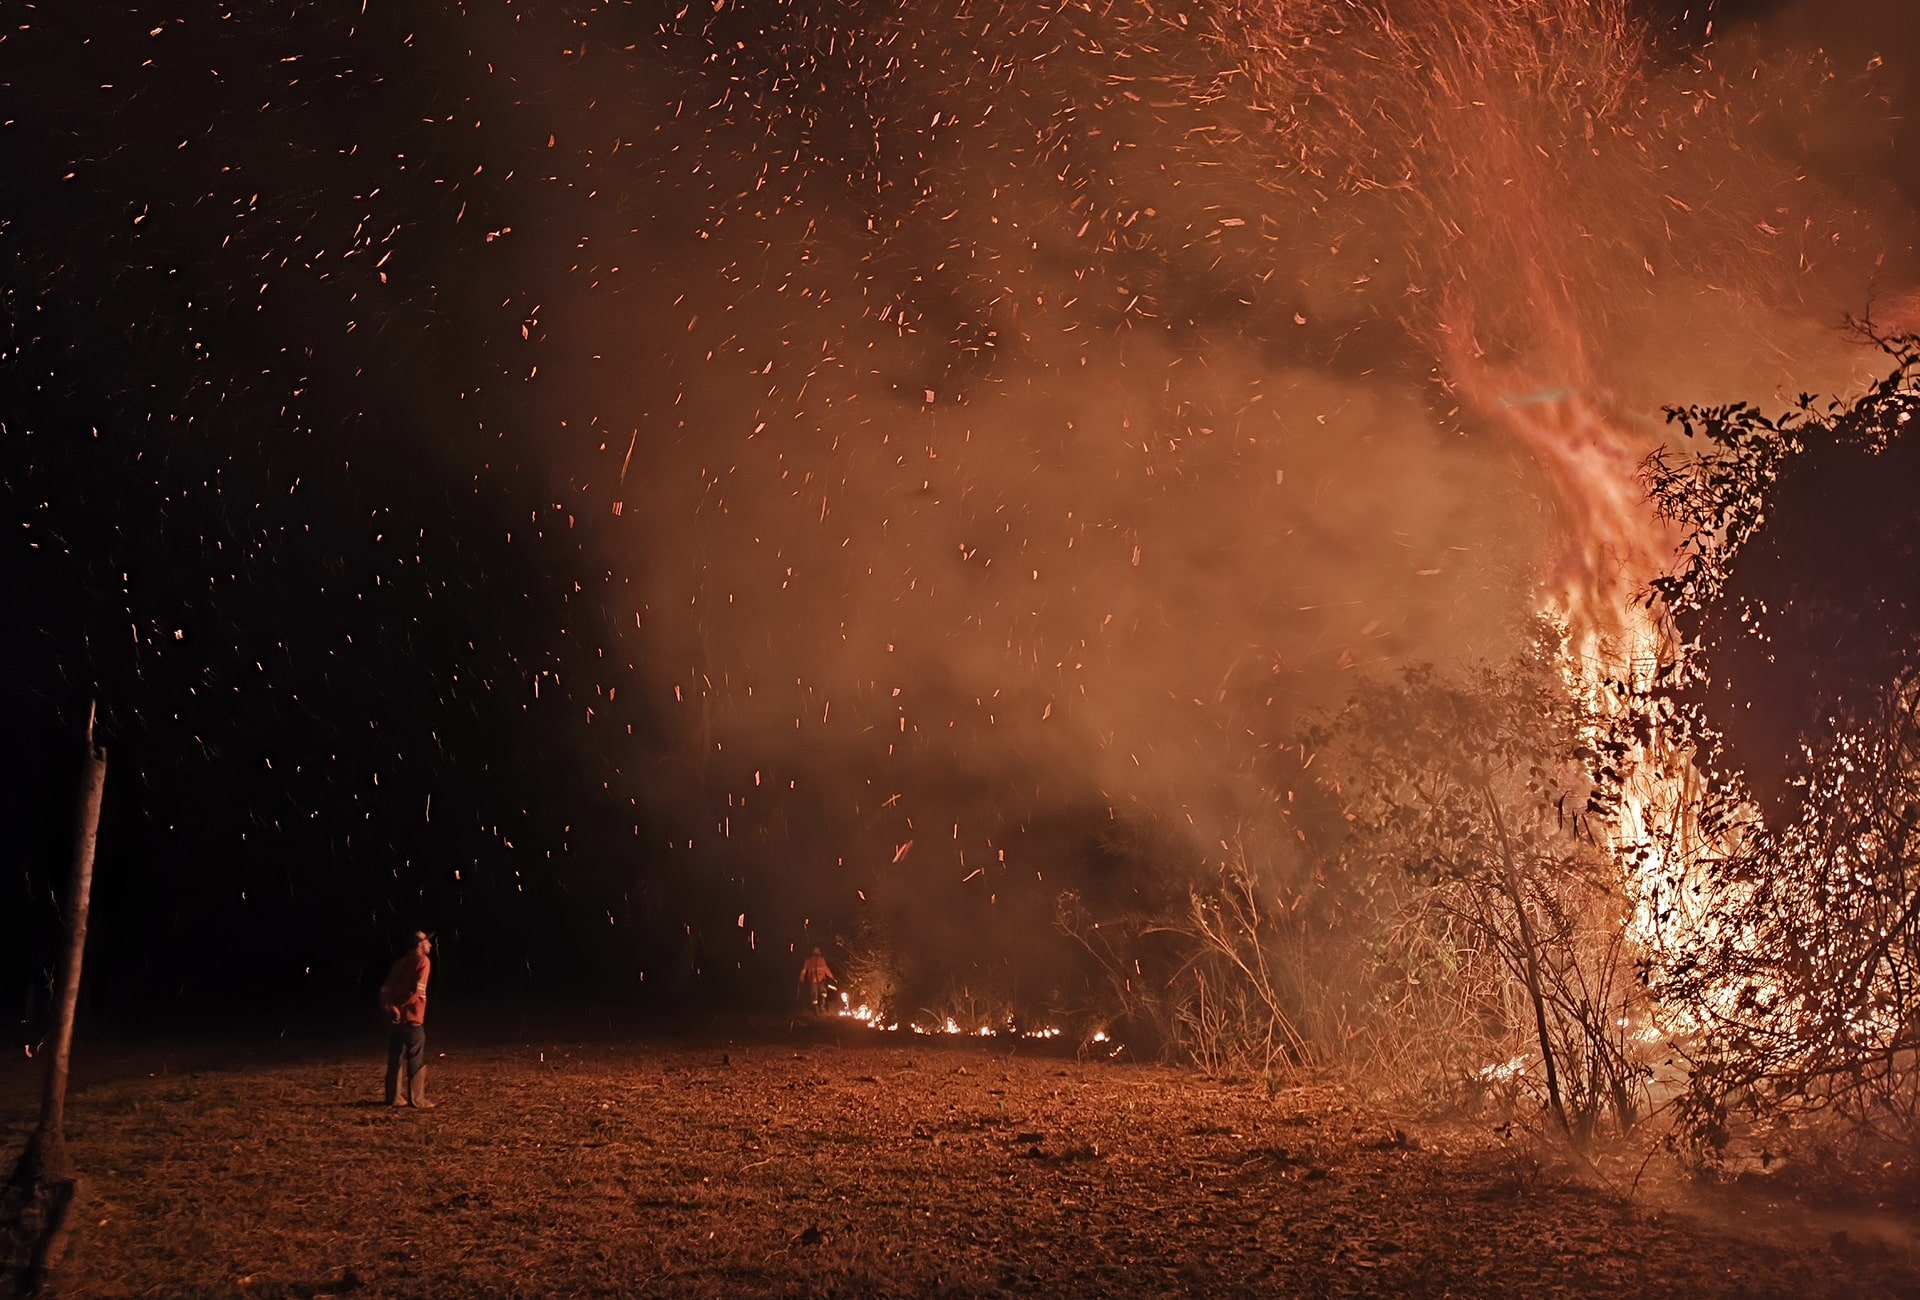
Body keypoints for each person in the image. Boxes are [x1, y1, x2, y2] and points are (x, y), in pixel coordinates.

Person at [381, 930, 435, 1108]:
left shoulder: (399, 964)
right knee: (415, 1057)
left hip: (396, 1020)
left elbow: (386, 988)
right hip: (413, 1019)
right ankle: (417, 1099)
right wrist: (403, 1007)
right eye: (428, 942)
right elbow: (417, 992)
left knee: (395, 1058)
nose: (431, 945)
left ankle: (393, 1097)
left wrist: (391, 1007)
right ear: (420, 944)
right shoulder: (423, 961)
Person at [797, 946, 835, 1013]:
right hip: (821, 980)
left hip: (812, 981)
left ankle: (816, 1010)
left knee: (814, 996)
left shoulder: (808, 960)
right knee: (823, 994)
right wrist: (832, 977)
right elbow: (826, 970)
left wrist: (801, 978)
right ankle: (822, 1008)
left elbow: (803, 971)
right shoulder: (821, 960)